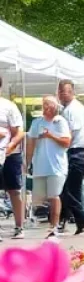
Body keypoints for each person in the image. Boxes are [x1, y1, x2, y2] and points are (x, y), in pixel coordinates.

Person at [26, 96, 72, 239]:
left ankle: (54, 226)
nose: (45, 107)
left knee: (54, 196)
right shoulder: (36, 122)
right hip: (40, 165)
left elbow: (66, 142)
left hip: (57, 166)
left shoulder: (60, 122)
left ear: (54, 107)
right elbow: (31, 143)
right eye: (44, 104)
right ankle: (45, 222)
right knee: (38, 198)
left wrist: (51, 136)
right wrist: (27, 162)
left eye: (48, 105)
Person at [56, 80, 84, 235]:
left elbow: (69, 135)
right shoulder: (83, 109)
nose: (61, 94)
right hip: (80, 152)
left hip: (75, 152)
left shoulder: (71, 111)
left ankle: (82, 220)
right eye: (60, 91)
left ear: (72, 92)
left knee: (69, 191)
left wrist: (59, 147)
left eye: (64, 91)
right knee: (67, 189)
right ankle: (62, 219)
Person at [0, 78, 26, 238]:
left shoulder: (9, 106)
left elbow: (19, 132)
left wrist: (10, 147)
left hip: (10, 154)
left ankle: (19, 227)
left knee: (14, 190)